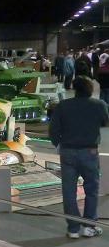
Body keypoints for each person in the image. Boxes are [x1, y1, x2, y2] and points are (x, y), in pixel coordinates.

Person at [49, 76, 109, 238]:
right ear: (90, 89)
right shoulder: (99, 105)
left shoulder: (63, 105)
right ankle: (89, 227)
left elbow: (53, 130)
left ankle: (73, 229)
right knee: (91, 189)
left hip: (67, 151)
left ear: (75, 89)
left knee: (69, 191)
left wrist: (58, 144)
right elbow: (105, 122)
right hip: (89, 152)